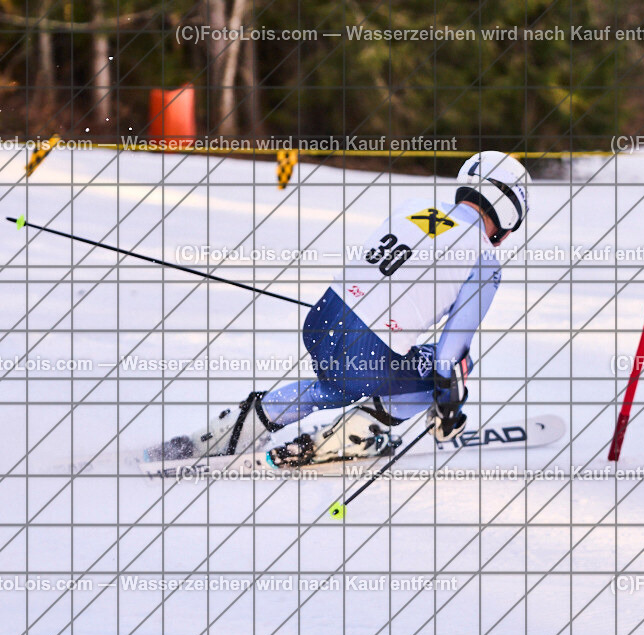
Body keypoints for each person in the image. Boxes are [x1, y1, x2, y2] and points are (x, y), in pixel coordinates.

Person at [148, 151, 530, 467]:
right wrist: (448, 411)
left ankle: (235, 427)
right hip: (367, 352)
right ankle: (352, 438)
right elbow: (452, 357)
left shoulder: (415, 205)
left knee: (328, 385)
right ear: (507, 220)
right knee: (441, 370)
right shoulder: (484, 261)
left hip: (323, 319)